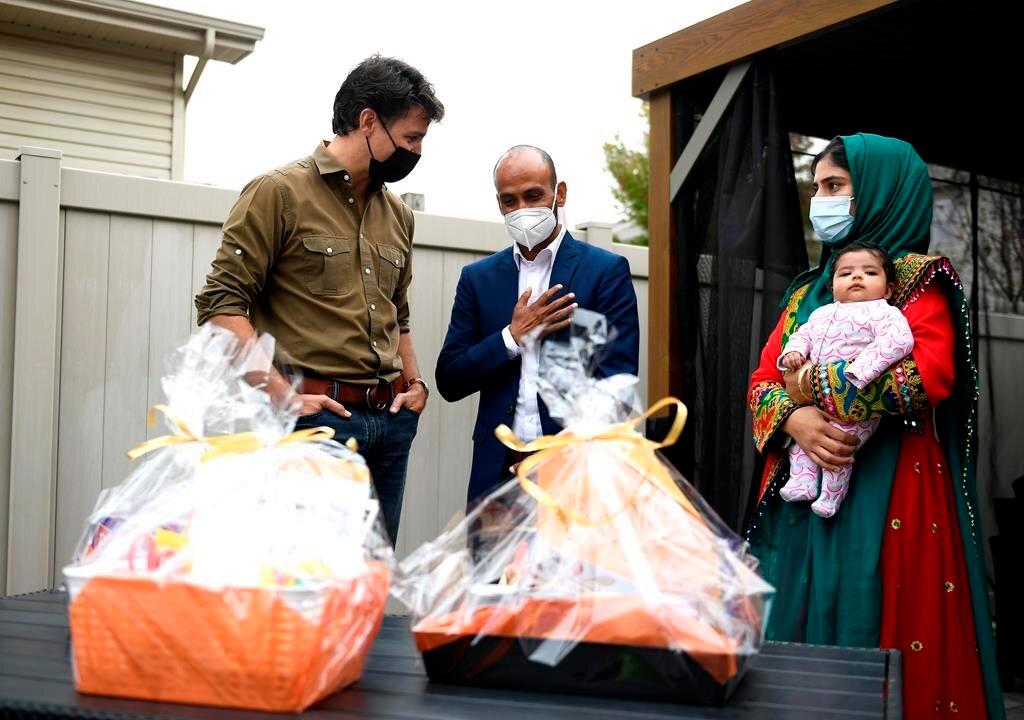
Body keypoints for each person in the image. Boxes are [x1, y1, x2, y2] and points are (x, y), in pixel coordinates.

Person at [746, 133, 1004, 719]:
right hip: (803, 489)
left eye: (836, 187)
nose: (822, 200)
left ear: (882, 191)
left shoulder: (917, 280)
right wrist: (798, 418)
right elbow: (761, 382)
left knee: (886, 624)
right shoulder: (808, 290)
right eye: (818, 188)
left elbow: (924, 378)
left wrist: (806, 387)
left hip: (894, 489)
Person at [194, 55, 444, 546]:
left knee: (367, 590)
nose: (416, 152)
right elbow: (221, 305)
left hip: (391, 424)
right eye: (411, 138)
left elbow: (400, 315)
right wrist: (284, 399)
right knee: (306, 588)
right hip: (315, 424)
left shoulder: (399, 215)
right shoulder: (278, 192)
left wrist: (415, 387)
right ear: (368, 120)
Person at [436, 145, 640, 501]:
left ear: (559, 193)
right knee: (488, 559)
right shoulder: (479, 279)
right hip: (497, 473)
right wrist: (511, 337)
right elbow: (450, 379)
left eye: (533, 195)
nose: (522, 210)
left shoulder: (604, 272)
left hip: (574, 475)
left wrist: (564, 454)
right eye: (509, 200)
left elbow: (616, 383)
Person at [777, 241, 914, 517]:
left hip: (856, 406)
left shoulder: (884, 313)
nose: (857, 277)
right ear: (832, 288)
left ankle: (830, 496)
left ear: (888, 289)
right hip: (813, 404)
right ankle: (802, 482)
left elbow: (899, 340)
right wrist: (793, 352)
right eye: (845, 273)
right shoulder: (820, 314)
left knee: (838, 447)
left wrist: (860, 369)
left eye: (870, 273)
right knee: (800, 446)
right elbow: (802, 336)